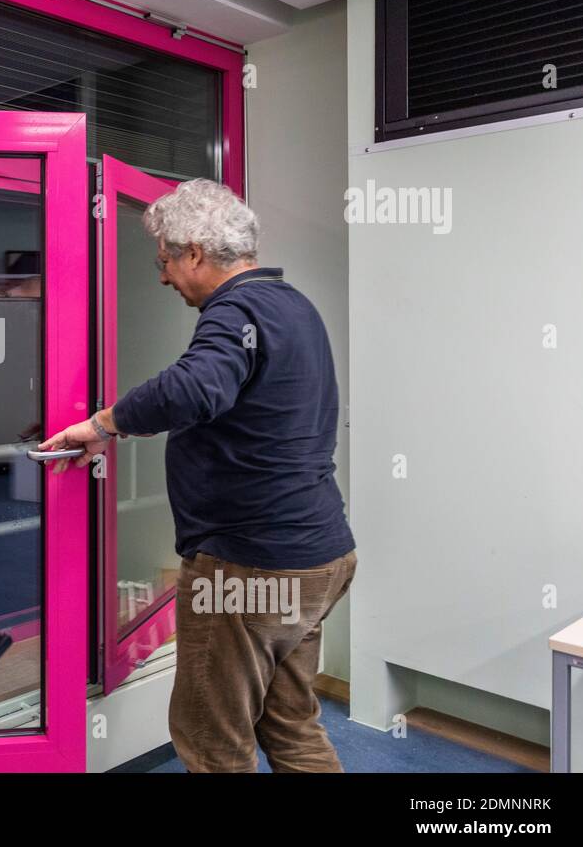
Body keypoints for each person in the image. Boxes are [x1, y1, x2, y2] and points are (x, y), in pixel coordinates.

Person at [39, 178, 356, 772]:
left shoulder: (235, 309)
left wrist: (105, 423)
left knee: (210, 734)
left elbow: (193, 388)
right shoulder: (294, 306)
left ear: (193, 252)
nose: (162, 278)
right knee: (290, 723)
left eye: (164, 261)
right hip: (321, 556)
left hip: (252, 565)